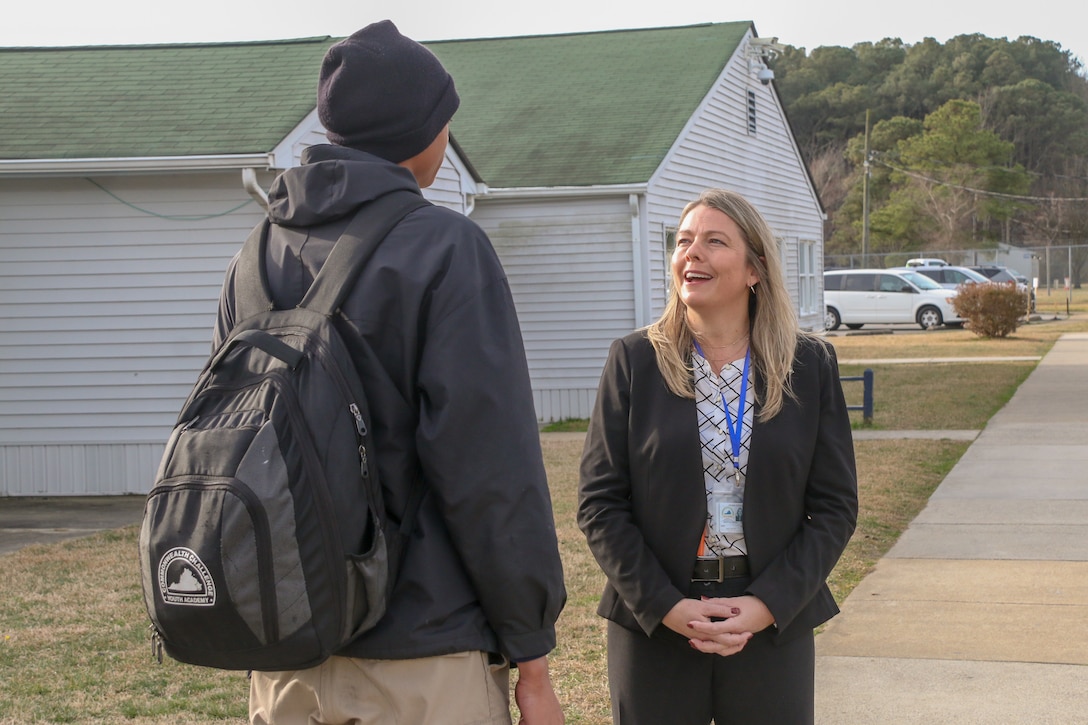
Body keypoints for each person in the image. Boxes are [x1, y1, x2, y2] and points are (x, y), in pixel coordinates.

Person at [211, 20, 566, 725]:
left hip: (289, 649)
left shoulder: (254, 256)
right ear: (420, 129)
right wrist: (532, 659)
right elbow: (490, 472)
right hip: (422, 656)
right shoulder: (445, 248)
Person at [577, 188, 858, 724]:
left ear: (755, 268)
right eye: (683, 242)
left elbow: (834, 507)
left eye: (713, 241)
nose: (692, 254)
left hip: (769, 620)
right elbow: (600, 504)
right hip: (658, 621)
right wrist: (668, 607)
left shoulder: (810, 365)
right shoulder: (635, 360)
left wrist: (765, 606)